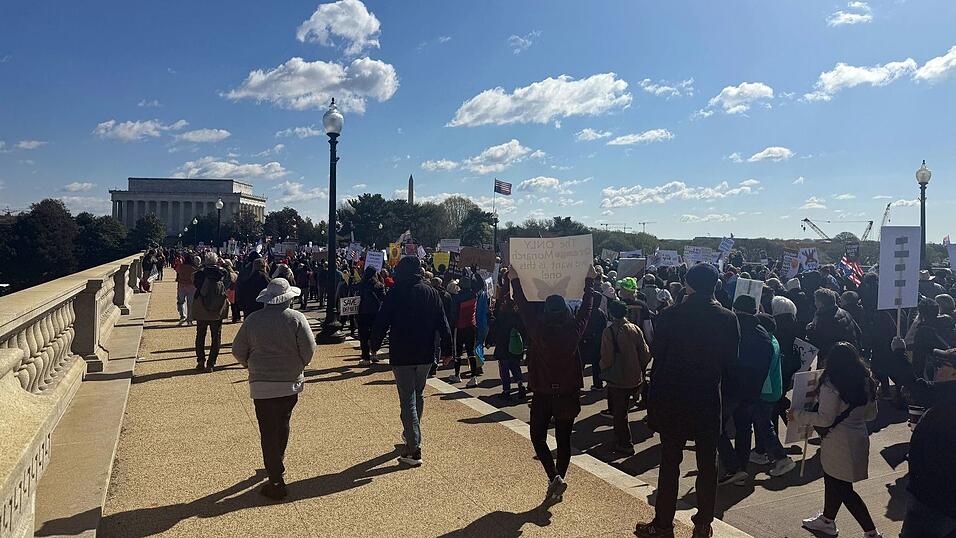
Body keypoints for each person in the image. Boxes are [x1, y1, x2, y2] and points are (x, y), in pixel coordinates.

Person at [636, 263, 739, 538]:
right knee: (708, 465)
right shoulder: (728, 318)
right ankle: (703, 524)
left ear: (688, 285)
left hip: (674, 397)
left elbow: (657, 353)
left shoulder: (671, 314)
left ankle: (663, 524)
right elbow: (731, 362)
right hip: (707, 397)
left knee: (670, 463)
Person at [509, 264, 598, 506]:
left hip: (542, 393)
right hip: (568, 393)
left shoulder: (539, 330)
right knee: (564, 439)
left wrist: (515, 279)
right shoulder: (573, 331)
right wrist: (590, 281)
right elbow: (587, 309)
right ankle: (558, 480)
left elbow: (525, 309)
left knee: (537, 436)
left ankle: (553, 477)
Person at [232, 278, 317, 500]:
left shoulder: (253, 320)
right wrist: (300, 363)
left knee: (267, 429)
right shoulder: (296, 319)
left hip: (261, 382)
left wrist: (248, 363)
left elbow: (238, 349)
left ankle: (275, 475)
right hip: (289, 380)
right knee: (283, 422)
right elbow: (309, 349)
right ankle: (276, 462)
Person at [792, 342, 882, 538]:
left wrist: (798, 415)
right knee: (833, 481)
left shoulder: (831, 384)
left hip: (837, 440)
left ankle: (871, 532)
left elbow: (825, 419)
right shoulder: (866, 380)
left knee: (842, 488)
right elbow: (871, 415)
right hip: (858, 437)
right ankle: (827, 520)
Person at [371, 257, 453, 467]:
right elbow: (442, 322)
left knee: (407, 399)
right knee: (418, 394)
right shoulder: (431, 292)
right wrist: (447, 349)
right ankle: (411, 433)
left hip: (402, 352)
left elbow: (382, 319)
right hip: (425, 352)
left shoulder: (396, 292)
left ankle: (414, 447)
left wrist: (374, 344)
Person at [717, 295, 774, 487]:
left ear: (735, 308)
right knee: (744, 428)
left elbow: (724, 357)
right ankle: (741, 468)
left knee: (715, 426)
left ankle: (733, 466)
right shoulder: (763, 333)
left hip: (730, 388)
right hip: (752, 390)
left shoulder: (730, 327)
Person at [899, 346, 956, 537]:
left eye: (942, 366)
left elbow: (918, 388)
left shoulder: (949, 396)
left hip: (932, 500)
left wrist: (898, 354)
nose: (936, 369)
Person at [600, 299, 651, 455]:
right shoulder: (635, 328)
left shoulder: (609, 331)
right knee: (627, 407)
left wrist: (603, 368)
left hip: (618, 378)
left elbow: (607, 357)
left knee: (620, 413)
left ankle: (624, 443)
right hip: (635, 375)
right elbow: (645, 353)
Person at [192, 252, 230, 372]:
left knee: (200, 335)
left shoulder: (199, 274)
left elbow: (194, 282)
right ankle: (211, 363)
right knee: (216, 337)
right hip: (217, 309)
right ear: (217, 261)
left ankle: (200, 360)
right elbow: (230, 282)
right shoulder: (223, 273)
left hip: (202, 308)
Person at [490, 278, 526, 400]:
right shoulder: (519, 315)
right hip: (515, 344)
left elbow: (496, 328)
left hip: (503, 345)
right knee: (515, 366)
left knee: (504, 369)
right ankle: (520, 384)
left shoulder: (502, 315)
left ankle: (506, 390)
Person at [806, 288, 861, 363]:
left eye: (815, 301)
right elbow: (858, 332)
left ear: (820, 303)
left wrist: (810, 330)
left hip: (833, 359)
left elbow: (819, 342)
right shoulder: (845, 312)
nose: (814, 303)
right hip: (851, 353)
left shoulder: (824, 318)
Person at [356, 266, 386, 366]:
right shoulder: (379, 285)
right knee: (375, 334)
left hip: (363, 312)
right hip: (376, 313)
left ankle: (365, 357)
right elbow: (383, 299)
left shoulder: (361, 285)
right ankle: (374, 353)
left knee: (364, 336)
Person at [175, 254, 198, 326]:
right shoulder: (194, 268)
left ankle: (183, 315)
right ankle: (189, 319)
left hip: (182, 285)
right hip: (191, 286)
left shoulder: (181, 267)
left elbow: (177, 270)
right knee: (190, 304)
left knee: (181, 301)